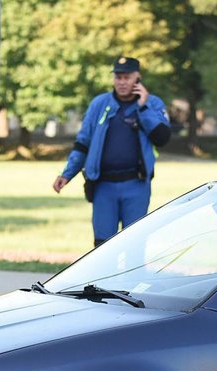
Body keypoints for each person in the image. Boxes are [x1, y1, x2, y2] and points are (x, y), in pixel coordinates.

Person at [52, 56, 172, 247]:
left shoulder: (153, 104)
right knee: (102, 246)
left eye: (127, 77)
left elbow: (162, 137)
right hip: (103, 186)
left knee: (135, 243)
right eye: (118, 77)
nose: (122, 82)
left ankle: (132, 279)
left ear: (138, 78)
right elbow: (83, 142)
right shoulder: (100, 104)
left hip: (136, 185)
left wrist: (143, 107)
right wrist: (67, 174)